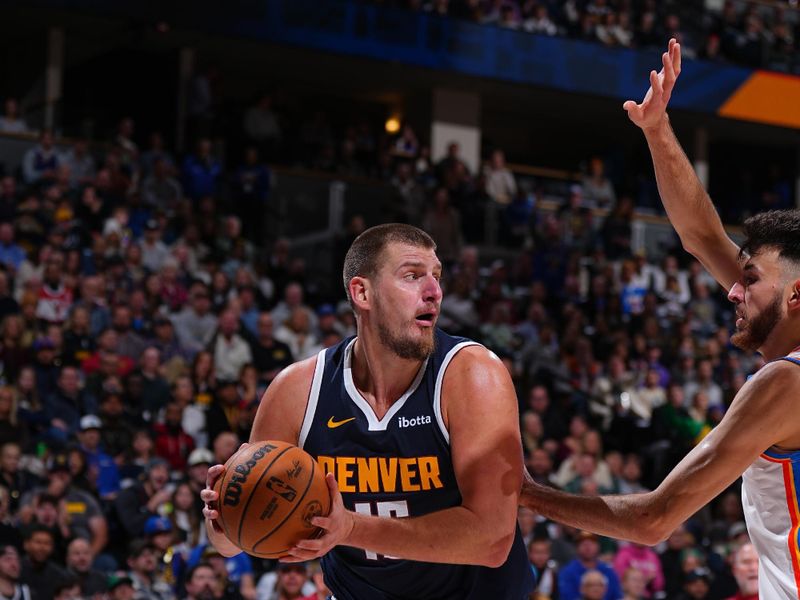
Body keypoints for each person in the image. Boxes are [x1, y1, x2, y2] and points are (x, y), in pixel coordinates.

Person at [521, 38, 800, 598]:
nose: (731, 292)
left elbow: (653, 519)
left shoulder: (787, 381)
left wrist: (523, 493)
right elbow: (701, 236)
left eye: (749, 281)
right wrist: (657, 129)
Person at [202, 224, 534, 598]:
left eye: (437, 277)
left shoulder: (471, 376)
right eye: (413, 276)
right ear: (363, 292)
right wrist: (224, 517)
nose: (435, 292)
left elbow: (491, 540)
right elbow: (234, 542)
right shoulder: (297, 391)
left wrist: (350, 528)